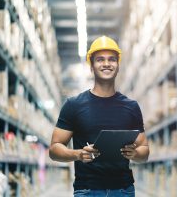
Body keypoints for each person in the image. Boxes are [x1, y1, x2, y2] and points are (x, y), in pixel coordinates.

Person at [49, 35, 150, 197]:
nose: (106, 64)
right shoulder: (73, 105)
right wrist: (78, 154)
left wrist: (135, 154)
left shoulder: (131, 106)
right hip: (87, 190)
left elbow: (144, 149)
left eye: (112, 59)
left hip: (124, 190)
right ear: (91, 66)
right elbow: (54, 149)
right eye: (100, 59)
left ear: (118, 65)